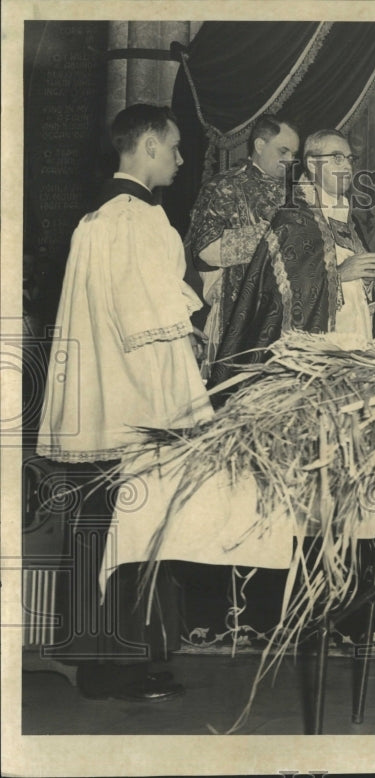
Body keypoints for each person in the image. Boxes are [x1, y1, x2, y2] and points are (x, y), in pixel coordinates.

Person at [35, 104, 213, 701]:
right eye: (175, 147)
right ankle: (108, 671)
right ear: (147, 148)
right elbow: (150, 324)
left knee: (102, 534)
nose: (182, 159)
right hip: (132, 407)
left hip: (102, 403)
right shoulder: (136, 218)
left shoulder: (103, 216)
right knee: (118, 536)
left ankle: (107, 659)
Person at [210, 129, 375, 387]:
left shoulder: (348, 219)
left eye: (351, 159)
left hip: (356, 335)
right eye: (337, 158)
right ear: (312, 164)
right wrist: (340, 275)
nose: (348, 166)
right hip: (317, 352)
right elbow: (278, 295)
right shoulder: (294, 219)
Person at [186, 115, 300, 372]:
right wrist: (270, 237)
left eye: (294, 153)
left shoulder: (297, 195)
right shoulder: (224, 186)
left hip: (289, 312)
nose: (291, 160)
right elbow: (206, 248)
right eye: (283, 151)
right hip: (237, 307)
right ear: (259, 146)